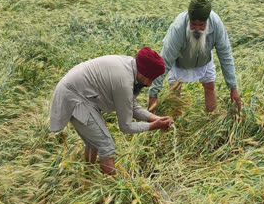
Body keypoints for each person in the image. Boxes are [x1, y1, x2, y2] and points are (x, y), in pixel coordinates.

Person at [50, 47, 174, 175]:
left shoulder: (129, 66)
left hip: (80, 94)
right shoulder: (124, 81)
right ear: (143, 72)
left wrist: (157, 119)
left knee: (94, 140)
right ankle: (113, 188)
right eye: (150, 79)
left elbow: (132, 106)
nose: (149, 85)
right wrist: (153, 126)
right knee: (106, 144)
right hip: (74, 97)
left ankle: (88, 175)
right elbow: (126, 126)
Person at [148, 0, 241, 113]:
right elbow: (165, 61)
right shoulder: (178, 28)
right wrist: (153, 93)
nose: (197, 28)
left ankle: (212, 120)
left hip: (204, 58)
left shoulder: (216, 24)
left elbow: (225, 55)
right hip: (180, 60)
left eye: (201, 24)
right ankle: (175, 125)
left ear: (207, 21)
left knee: (210, 86)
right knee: (175, 92)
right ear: (189, 19)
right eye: (193, 24)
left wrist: (233, 87)